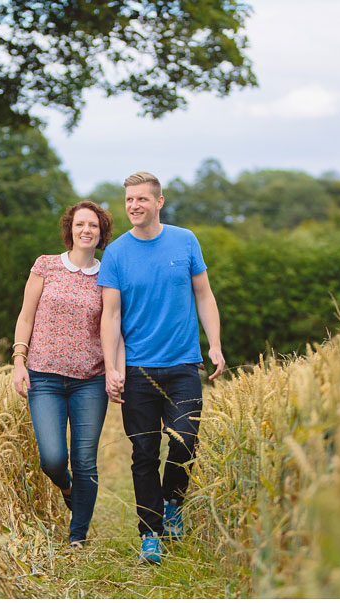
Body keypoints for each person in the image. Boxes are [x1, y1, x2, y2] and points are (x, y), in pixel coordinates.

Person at [98, 171, 226, 565]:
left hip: (184, 364)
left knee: (186, 442)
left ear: (159, 202)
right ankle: (150, 533)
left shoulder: (185, 241)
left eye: (141, 199)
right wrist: (111, 368)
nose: (134, 205)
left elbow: (204, 295)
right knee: (143, 453)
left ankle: (173, 503)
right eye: (128, 200)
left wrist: (215, 345)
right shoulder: (116, 253)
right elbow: (111, 315)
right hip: (138, 370)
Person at [12, 200, 117, 547]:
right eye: (79, 224)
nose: (86, 230)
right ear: (69, 229)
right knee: (53, 458)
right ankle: (68, 488)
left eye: (93, 226)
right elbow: (26, 316)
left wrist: (116, 370)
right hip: (44, 377)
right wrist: (18, 361)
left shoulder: (108, 275)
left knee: (85, 459)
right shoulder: (46, 266)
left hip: (90, 380)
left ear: (101, 233)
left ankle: (78, 536)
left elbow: (112, 326)